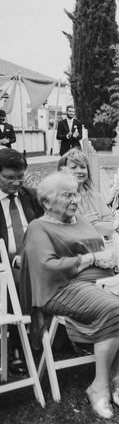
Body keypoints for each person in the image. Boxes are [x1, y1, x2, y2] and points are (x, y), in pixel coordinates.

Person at [21, 173, 119, 418]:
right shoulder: (38, 227)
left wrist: (109, 255)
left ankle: (118, 375)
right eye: (67, 195)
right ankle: (99, 386)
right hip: (62, 288)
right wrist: (90, 259)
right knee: (111, 308)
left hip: (102, 282)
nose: (75, 200)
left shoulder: (78, 219)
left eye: (76, 194)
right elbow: (46, 267)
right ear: (48, 202)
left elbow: (97, 245)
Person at [0, 149, 42, 376]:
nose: (16, 182)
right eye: (9, 178)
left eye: (20, 177)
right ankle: (18, 346)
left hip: (36, 261)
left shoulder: (33, 197)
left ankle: (55, 336)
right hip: (4, 266)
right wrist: (12, 261)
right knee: (15, 282)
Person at [58, 149, 114, 237]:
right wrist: (82, 224)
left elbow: (110, 227)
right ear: (62, 171)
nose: (79, 171)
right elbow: (59, 233)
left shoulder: (95, 196)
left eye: (83, 167)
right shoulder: (59, 199)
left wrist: (91, 226)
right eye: (73, 167)